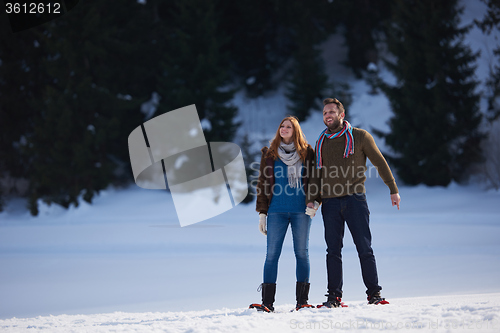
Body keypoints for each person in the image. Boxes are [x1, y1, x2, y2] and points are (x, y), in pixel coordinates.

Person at [306, 98, 401, 308]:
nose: (327, 115)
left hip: (355, 199)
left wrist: (393, 189)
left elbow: (379, 161)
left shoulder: (359, 137)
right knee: (333, 251)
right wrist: (312, 199)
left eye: (331, 111)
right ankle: (333, 297)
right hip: (330, 203)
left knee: (364, 248)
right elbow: (316, 176)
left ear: (342, 115)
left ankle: (374, 294)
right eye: (324, 113)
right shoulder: (321, 141)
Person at [249, 116, 318, 312]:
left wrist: (316, 202)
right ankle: (267, 303)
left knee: (302, 254)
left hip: (301, 212)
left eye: (288, 126)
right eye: (282, 126)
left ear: (295, 131)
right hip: (276, 211)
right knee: (271, 255)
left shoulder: (307, 153)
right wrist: (262, 213)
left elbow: (315, 181)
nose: (284, 129)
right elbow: (262, 184)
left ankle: (302, 302)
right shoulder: (269, 154)